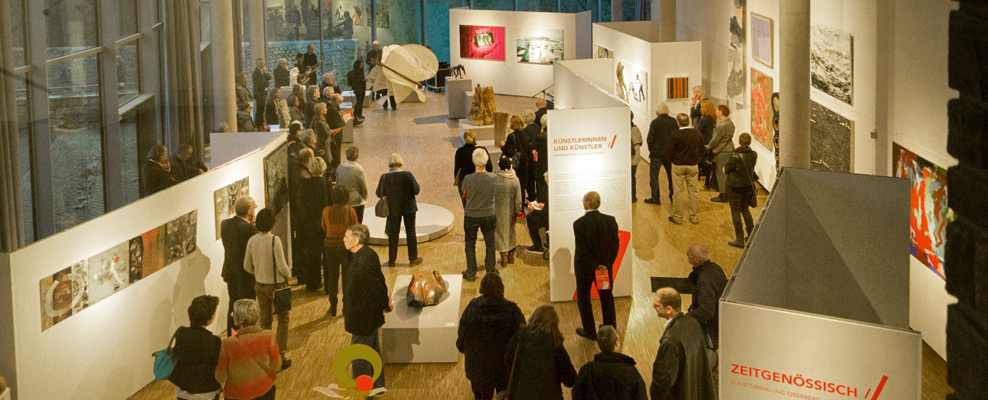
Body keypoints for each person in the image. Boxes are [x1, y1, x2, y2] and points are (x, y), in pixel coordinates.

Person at [456, 274, 526, 400]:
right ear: (501, 288)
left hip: (479, 368)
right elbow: (523, 338)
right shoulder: (512, 310)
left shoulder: (472, 307)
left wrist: (465, 349)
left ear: (482, 288)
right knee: (506, 396)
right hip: (504, 368)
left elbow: (462, 336)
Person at [342, 224, 392, 393]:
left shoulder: (361, 263)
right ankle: (377, 386)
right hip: (368, 316)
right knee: (373, 352)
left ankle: (364, 393)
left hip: (362, 319)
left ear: (356, 240)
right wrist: (384, 303)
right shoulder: (368, 254)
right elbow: (379, 282)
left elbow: (375, 287)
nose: (343, 239)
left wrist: (385, 303)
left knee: (360, 357)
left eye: (347, 237)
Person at [243, 208, 292, 370]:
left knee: (265, 322)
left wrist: (258, 274)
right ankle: (280, 356)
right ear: (272, 223)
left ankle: (264, 355)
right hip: (277, 286)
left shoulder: (252, 241)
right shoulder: (274, 240)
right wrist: (289, 274)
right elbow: (282, 265)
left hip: (260, 285)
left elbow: (247, 266)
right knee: (283, 319)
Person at [649, 288, 717, 400]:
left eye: (657, 305)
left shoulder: (671, 340)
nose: (653, 307)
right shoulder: (693, 324)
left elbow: (663, 378)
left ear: (669, 309)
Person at [504, 305, 577, 400]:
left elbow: (507, 362)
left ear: (533, 318)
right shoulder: (555, 346)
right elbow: (570, 380)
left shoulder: (518, 337)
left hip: (521, 395)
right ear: (554, 325)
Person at [573, 191, 619, 340]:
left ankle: (590, 332)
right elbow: (615, 246)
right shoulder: (610, 220)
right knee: (606, 299)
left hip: (585, 269)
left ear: (587, 203)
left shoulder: (579, 224)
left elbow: (583, 250)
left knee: (584, 300)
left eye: (583, 200)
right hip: (604, 271)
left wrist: (594, 265)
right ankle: (610, 330)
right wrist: (605, 264)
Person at [216, 299, 282, 400]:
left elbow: (221, 376)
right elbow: (276, 366)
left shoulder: (228, 343)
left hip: (236, 394)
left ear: (240, 319)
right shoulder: (268, 336)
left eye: (234, 313)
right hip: (264, 390)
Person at [571, 325, 648, 400]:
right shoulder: (631, 371)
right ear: (616, 343)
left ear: (599, 344)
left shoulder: (587, 369)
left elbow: (576, 393)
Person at [170, 295, 222, 400]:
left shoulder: (181, 333)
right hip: (206, 391)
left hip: (183, 389)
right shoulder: (214, 341)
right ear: (209, 317)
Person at [376, 153, 423, 267]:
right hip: (409, 208)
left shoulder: (385, 177)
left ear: (389, 164)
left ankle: (392, 260)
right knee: (411, 232)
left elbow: (378, 193)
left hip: (393, 209)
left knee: (393, 234)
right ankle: (413, 259)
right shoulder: (408, 175)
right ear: (401, 162)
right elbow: (416, 190)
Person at [221, 196, 259, 336]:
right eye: (254, 207)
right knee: (247, 307)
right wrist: (253, 226)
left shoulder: (225, 224)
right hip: (246, 274)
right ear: (249, 211)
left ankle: (232, 336)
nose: (255, 209)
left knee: (233, 305)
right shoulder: (250, 229)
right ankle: (246, 337)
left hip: (230, 272)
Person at [461, 148, 498, 282]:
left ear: (473, 161)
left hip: (471, 215)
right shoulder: (494, 177)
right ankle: (491, 271)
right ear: (487, 160)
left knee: (470, 244)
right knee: (490, 243)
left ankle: (471, 273)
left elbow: (464, 195)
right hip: (489, 214)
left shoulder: (467, 179)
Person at [322, 185, 358, 316]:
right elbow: (355, 229)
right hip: (345, 246)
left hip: (329, 246)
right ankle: (346, 307)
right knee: (347, 276)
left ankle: (333, 306)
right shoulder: (350, 211)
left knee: (332, 276)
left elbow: (324, 227)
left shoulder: (326, 210)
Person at [684, 242, 727, 349]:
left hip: (711, 329)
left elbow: (706, 311)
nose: (687, 255)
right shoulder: (716, 268)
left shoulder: (703, 280)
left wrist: (687, 317)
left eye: (688, 254)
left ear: (697, 259)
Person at [298, 157, 331, 291]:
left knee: (312, 254)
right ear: (323, 168)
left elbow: (300, 204)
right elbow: (330, 204)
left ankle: (312, 284)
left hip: (310, 224)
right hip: (325, 223)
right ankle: (328, 286)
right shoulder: (327, 184)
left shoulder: (304, 184)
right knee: (327, 254)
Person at [667, 113, 707, 225]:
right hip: (693, 166)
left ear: (678, 123)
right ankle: (694, 217)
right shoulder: (697, 133)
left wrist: (673, 160)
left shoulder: (674, 135)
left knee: (678, 193)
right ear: (688, 121)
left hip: (678, 166)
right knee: (693, 192)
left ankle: (678, 218)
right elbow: (702, 151)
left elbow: (669, 152)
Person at [725, 133, 758, 248]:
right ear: (750, 142)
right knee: (745, 210)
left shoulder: (734, 156)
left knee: (735, 212)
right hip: (748, 186)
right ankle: (751, 236)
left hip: (735, 187)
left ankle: (739, 239)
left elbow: (726, 169)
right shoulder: (754, 154)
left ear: (739, 142)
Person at [645, 102, 678, 205]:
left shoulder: (655, 122)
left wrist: (652, 150)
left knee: (654, 176)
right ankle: (673, 196)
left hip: (656, 153)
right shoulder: (673, 121)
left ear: (657, 112)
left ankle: (655, 197)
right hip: (670, 154)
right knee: (671, 176)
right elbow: (676, 137)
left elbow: (650, 139)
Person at [494, 156, 522, 267]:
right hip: (511, 213)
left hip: (498, 212)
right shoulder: (515, 180)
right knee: (511, 232)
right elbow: (518, 199)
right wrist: (517, 211)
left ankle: (503, 258)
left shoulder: (495, 179)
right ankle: (511, 257)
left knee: (500, 234)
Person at [454, 130, 492, 206]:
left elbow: (456, 170)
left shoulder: (460, 151)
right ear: (475, 138)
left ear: (464, 138)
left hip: (464, 183)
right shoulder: (482, 150)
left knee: (467, 208)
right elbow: (490, 168)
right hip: (480, 182)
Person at [708, 105, 736, 203]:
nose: (716, 112)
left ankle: (723, 195)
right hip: (729, 149)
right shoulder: (730, 123)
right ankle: (727, 193)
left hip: (722, 152)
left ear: (721, 112)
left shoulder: (722, 125)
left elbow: (715, 140)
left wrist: (708, 147)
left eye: (717, 110)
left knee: (721, 173)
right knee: (726, 173)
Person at [501, 115, 531, 202]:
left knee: (514, 187)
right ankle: (521, 210)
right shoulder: (526, 135)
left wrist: (503, 146)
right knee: (522, 188)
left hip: (516, 165)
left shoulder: (511, 136)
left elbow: (509, 152)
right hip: (524, 164)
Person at [336, 146, 368, 223]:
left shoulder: (339, 168)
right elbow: (365, 189)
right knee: (357, 226)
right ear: (357, 156)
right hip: (356, 202)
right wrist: (363, 199)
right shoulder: (359, 170)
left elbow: (337, 184)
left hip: (343, 201)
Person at [525, 172, 549, 254]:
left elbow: (545, 213)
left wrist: (533, 209)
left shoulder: (550, 191)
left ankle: (538, 246)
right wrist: (544, 206)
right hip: (549, 216)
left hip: (548, 218)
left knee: (530, 217)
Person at [695, 100, 718, 190]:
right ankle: (707, 183)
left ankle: (694, 181)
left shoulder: (703, 119)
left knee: (696, 162)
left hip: (702, 144)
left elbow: (698, 131)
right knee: (708, 164)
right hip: (709, 143)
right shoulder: (712, 119)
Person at [521, 110, 540, 200]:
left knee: (530, 179)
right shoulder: (537, 127)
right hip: (538, 155)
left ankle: (531, 196)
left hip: (529, 157)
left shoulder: (525, 131)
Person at [326, 94, 347, 171]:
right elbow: (336, 124)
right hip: (336, 135)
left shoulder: (329, 107)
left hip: (334, 135)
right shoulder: (333, 110)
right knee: (336, 153)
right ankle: (336, 170)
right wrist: (344, 121)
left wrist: (338, 115)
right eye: (340, 102)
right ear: (335, 101)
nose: (340, 104)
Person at [532, 114, 549, 203]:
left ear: (542, 123)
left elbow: (532, 146)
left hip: (541, 164)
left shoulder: (539, 137)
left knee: (541, 186)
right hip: (551, 163)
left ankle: (542, 203)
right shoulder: (554, 135)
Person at [311, 102, 332, 166]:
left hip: (321, 142)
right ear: (321, 111)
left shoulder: (317, 118)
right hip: (324, 143)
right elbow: (326, 134)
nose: (326, 109)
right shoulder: (320, 122)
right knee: (326, 159)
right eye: (325, 108)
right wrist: (333, 131)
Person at [253, 58, 272, 127]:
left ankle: (261, 123)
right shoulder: (256, 73)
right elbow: (262, 84)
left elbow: (269, 77)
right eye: (263, 63)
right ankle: (258, 124)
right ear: (259, 64)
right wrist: (267, 83)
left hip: (262, 93)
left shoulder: (262, 72)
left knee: (262, 109)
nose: (265, 64)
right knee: (259, 109)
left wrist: (265, 73)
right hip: (259, 93)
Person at [347, 59, 367, 123]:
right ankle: (355, 115)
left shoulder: (361, 71)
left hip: (362, 87)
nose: (362, 65)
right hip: (358, 88)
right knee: (358, 102)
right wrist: (362, 79)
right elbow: (356, 80)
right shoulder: (354, 72)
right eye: (361, 64)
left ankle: (359, 114)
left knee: (361, 101)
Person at [630, 111, 643, 203]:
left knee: (631, 177)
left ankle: (632, 196)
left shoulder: (632, 129)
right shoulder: (635, 128)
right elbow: (640, 142)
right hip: (633, 158)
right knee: (632, 177)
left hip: (631, 158)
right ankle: (632, 196)